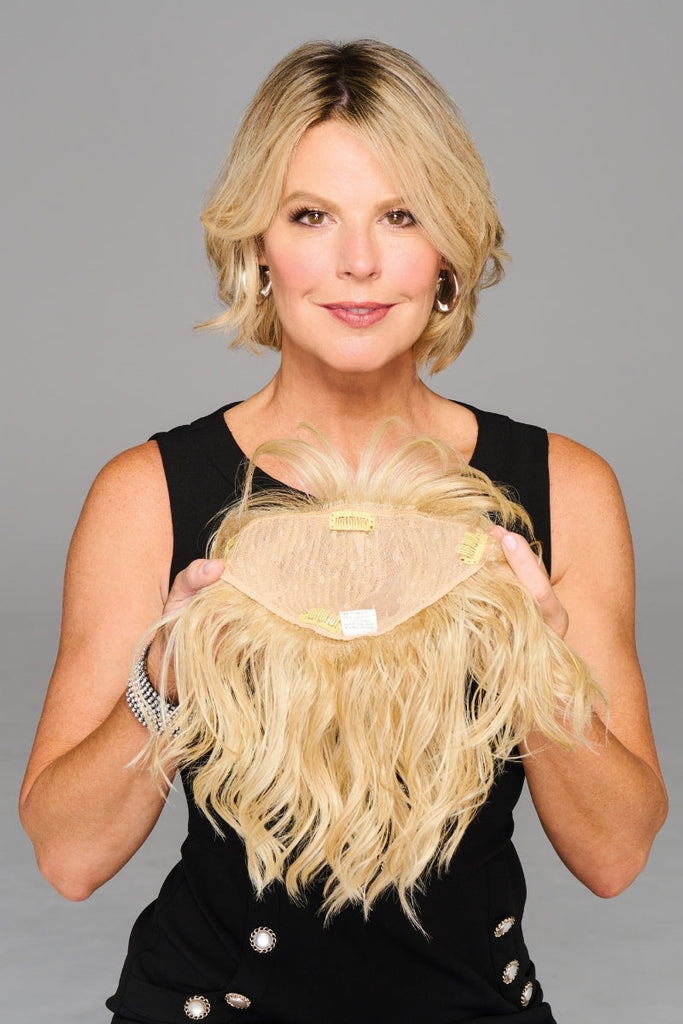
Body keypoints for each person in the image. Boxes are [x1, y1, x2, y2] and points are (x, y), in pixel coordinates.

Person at [19, 39, 667, 1024]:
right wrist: (167, 677)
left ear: (446, 247)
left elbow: (615, 857)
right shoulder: (147, 492)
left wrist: (535, 664)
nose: (357, 261)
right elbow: (67, 858)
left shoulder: (560, 489)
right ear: (257, 248)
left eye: (399, 215)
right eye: (311, 216)